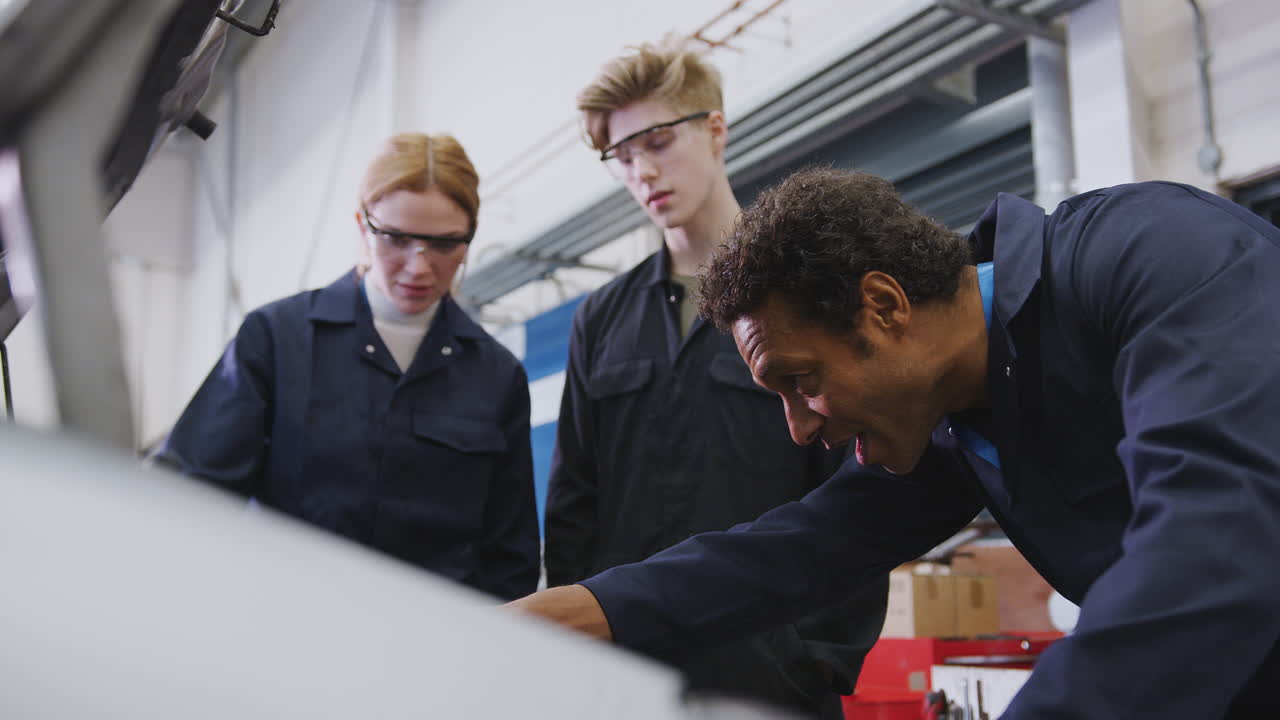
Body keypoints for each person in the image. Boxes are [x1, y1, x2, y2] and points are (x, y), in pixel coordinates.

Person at [513, 167, 1280, 718]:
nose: (800, 426)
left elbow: (1213, 543)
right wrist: (551, 618)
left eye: (802, 379)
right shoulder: (959, 415)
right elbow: (791, 550)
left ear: (884, 307)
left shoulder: (1160, 256)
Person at [542, 42, 887, 718]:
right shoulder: (602, 319)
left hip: (771, 674)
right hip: (627, 671)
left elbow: (859, 480)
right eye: (623, 156)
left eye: (659, 142)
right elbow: (574, 498)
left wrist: (817, 657)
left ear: (716, 129)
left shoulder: (807, 287)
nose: (643, 171)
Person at [158, 133, 539, 601]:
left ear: (469, 239)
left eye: (444, 245)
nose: (418, 267)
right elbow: (191, 499)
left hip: (430, 650)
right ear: (363, 225)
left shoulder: (495, 377)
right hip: (280, 631)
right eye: (396, 239)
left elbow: (509, 556)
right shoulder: (277, 341)